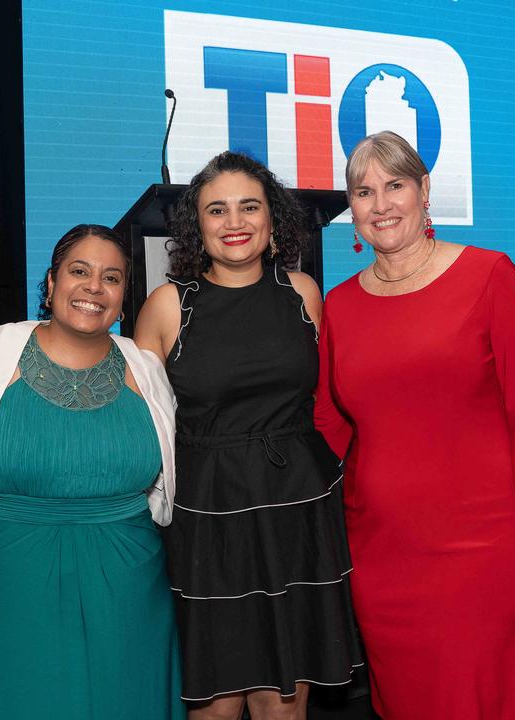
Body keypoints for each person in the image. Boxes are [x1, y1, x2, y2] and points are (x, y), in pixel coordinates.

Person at [313, 130, 515, 719]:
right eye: (363, 191)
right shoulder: (340, 307)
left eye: (395, 185)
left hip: (484, 555)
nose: (380, 204)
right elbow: (326, 429)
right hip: (382, 558)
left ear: (425, 191)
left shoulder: (488, 276)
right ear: (349, 208)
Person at [135, 152, 362, 720]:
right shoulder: (167, 306)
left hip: (296, 512)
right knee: (213, 702)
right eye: (217, 209)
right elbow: (141, 425)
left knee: (284, 701)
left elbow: (330, 402)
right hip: (207, 516)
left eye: (249, 206)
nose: (234, 221)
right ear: (197, 225)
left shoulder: (304, 293)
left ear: (270, 219)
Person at [0, 224, 184, 719]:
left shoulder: (146, 369)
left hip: (131, 595)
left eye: (111, 278)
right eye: (79, 272)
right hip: (9, 590)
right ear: (50, 284)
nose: (94, 287)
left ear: (123, 298)